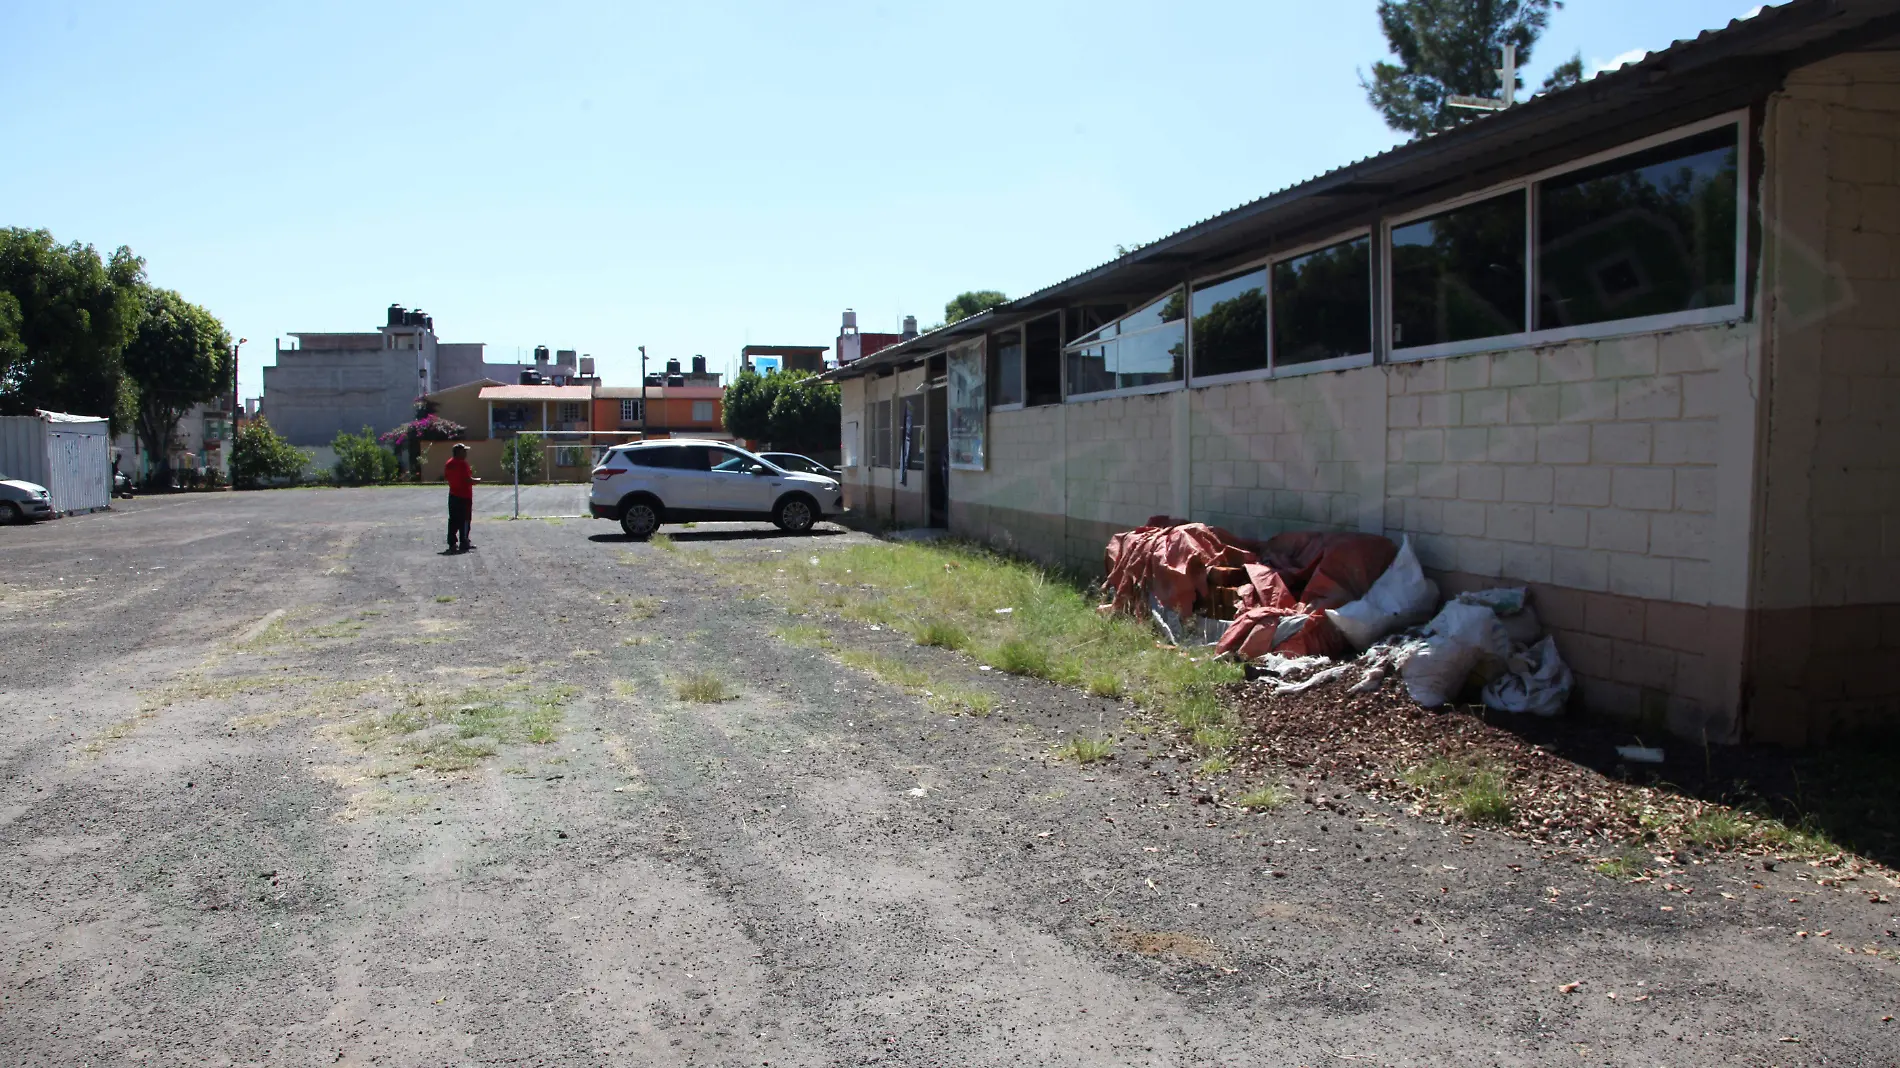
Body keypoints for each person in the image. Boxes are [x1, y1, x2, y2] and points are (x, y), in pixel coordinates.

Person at [443, 443, 479, 553]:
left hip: (453, 494)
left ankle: (452, 542)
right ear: (459, 452)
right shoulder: (462, 464)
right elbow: (467, 479)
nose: (466, 453)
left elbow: (447, 477)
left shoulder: (449, 463)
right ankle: (464, 541)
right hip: (464, 495)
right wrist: (476, 481)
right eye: (464, 451)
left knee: (453, 519)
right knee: (465, 519)